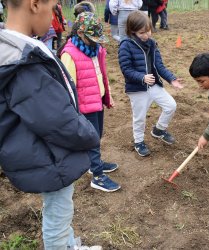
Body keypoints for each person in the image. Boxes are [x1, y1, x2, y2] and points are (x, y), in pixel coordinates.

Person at [0, 0, 103, 248]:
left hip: (44, 151)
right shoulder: (22, 62)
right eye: (54, 7)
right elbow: (56, 120)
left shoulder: (15, 46)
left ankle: (71, 245)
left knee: (59, 209)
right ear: (34, 4)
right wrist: (90, 134)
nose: (57, 15)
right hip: (49, 156)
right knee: (58, 215)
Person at [59, 12, 121, 192]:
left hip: (97, 100)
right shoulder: (69, 54)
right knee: (91, 139)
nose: (96, 41)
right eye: (92, 37)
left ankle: (93, 162)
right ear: (79, 33)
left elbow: (101, 74)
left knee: (97, 134)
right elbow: (69, 87)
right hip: (84, 106)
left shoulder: (96, 49)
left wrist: (107, 95)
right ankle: (97, 176)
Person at [119, 11, 183, 157]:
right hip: (137, 88)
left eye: (148, 30)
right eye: (142, 32)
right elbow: (126, 69)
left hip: (153, 84)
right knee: (139, 117)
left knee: (171, 105)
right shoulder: (126, 45)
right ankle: (139, 142)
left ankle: (159, 130)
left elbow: (159, 66)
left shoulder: (152, 44)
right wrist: (142, 77)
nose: (147, 35)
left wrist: (171, 79)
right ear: (132, 31)